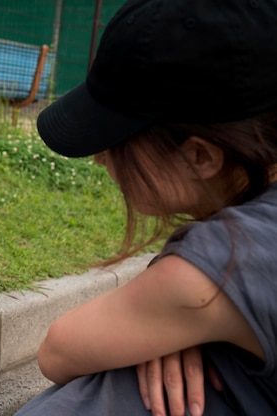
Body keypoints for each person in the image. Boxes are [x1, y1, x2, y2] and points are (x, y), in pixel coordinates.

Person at [16, 0, 277, 415]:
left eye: (116, 143)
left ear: (202, 157)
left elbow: (57, 352)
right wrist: (176, 323)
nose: (101, 159)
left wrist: (179, 299)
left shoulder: (228, 260)